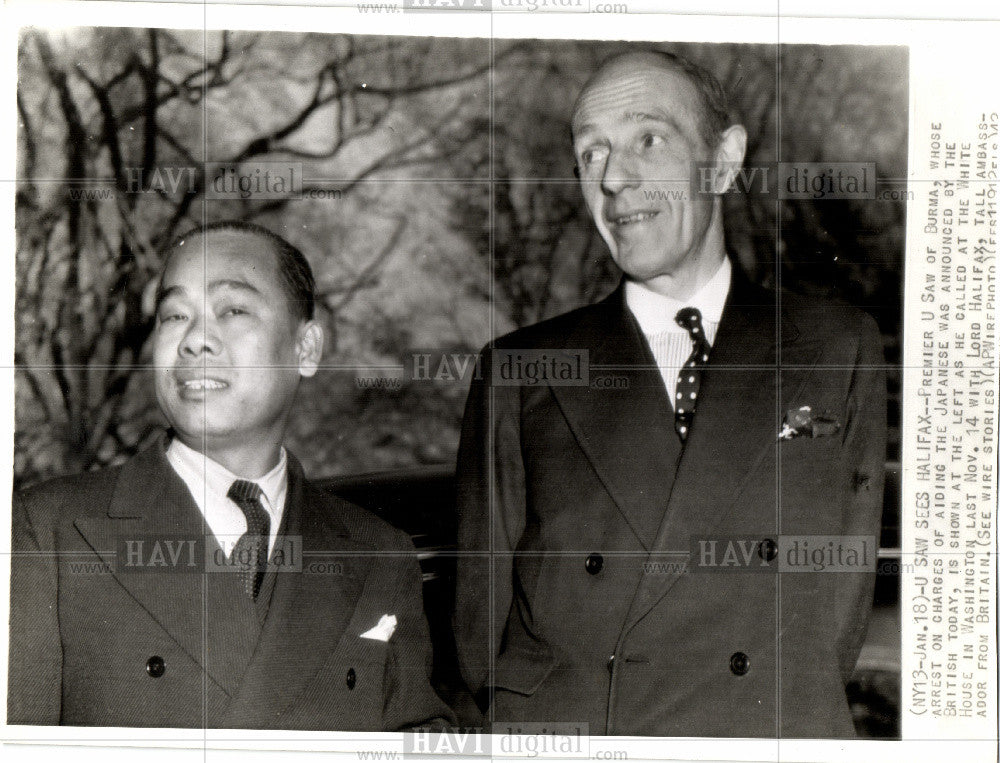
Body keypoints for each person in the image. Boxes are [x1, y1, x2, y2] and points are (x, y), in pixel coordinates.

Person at [454, 50, 886, 738]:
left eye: (646, 140)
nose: (615, 179)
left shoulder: (835, 346)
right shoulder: (521, 370)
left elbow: (838, 607)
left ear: (723, 159)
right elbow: (479, 635)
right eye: (591, 152)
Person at [8, 221, 454, 730]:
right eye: (174, 315)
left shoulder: (378, 555)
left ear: (305, 350)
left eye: (233, 309)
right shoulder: (48, 531)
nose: (196, 339)